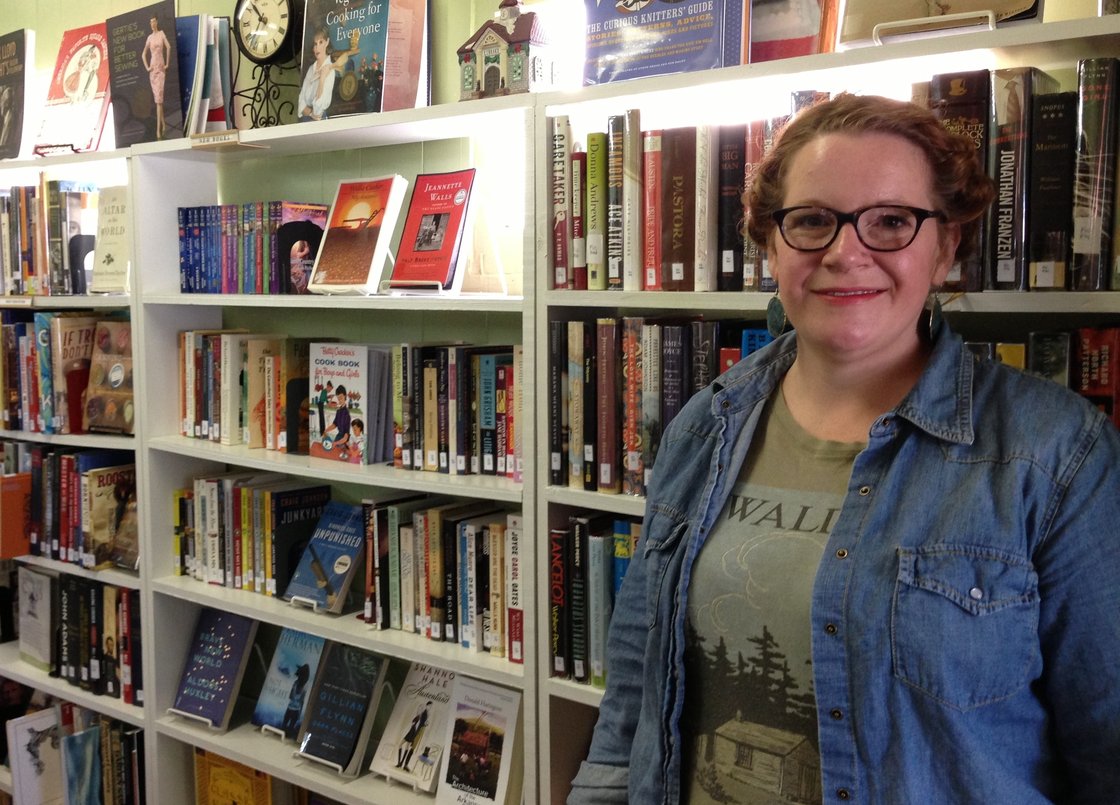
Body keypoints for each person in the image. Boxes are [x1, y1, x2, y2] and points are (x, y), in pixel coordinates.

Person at [568, 92, 1120, 804]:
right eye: (812, 221)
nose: (845, 251)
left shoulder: (1056, 457)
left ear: (946, 244)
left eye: (891, 221)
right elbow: (636, 692)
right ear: (771, 243)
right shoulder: (703, 427)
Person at [140, 15, 170, 139]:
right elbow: (143, 54)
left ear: (157, 22)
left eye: (153, 21)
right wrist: (147, 67)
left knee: (159, 99)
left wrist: (167, 63)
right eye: (150, 22)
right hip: (153, 70)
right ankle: (163, 125)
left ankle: (158, 130)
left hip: (161, 69)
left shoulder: (161, 34)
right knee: (158, 100)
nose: (152, 24)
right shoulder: (149, 37)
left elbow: (169, 47)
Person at [298, 27, 335, 121]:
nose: (317, 47)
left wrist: (322, 78)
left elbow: (318, 111)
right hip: (306, 118)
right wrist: (310, 113)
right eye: (315, 44)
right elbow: (301, 101)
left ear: (327, 42)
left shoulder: (330, 70)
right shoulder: (311, 69)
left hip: (320, 121)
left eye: (321, 42)